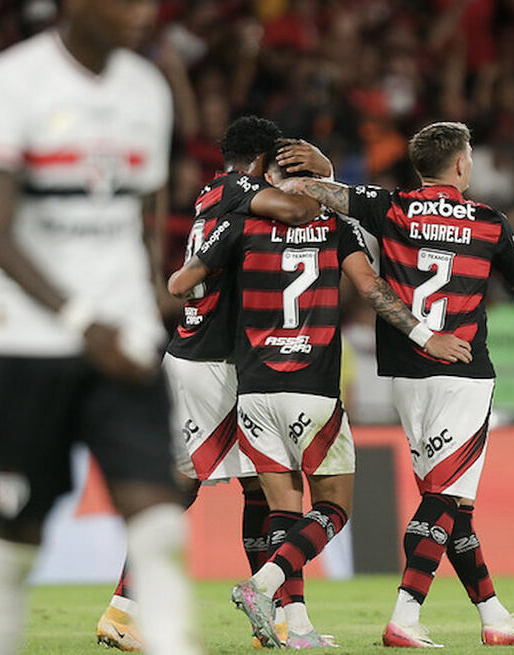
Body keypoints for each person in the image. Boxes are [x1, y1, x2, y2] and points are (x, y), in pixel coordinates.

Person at [0, 0, 198, 654]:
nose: (140, 14)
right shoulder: (6, 84)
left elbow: (136, 213)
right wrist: (82, 317)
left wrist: (146, 300)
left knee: (157, 519)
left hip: (121, 345)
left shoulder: (147, 92)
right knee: (17, 541)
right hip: (29, 345)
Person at [167, 156, 473, 648]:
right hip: (312, 387)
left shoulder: (241, 224)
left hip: (254, 388)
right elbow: (371, 288)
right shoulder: (335, 225)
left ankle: (298, 626)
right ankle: (261, 585)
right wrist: (424, 334)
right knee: (332, 507)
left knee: (283, 512)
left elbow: (180, 284)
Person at [279, 122, 514, 648]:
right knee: (443, 499)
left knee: (455, 505)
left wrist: (318, 169)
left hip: (407, 372)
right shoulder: (490, 222)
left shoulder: (390, 206)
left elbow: (318, 192)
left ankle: (493, 616)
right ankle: (404, 618)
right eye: (471, 155)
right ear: (460, 165)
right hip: (462, 371)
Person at [95, 116, 330, 651]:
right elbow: (300, 209)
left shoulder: (211, 193)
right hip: (212, 364)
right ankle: (125, 610)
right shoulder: (245, 190)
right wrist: (322, 173)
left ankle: (276, 617)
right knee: (203, 487)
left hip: (199, 354)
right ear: (264, 162)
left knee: (256, 485)